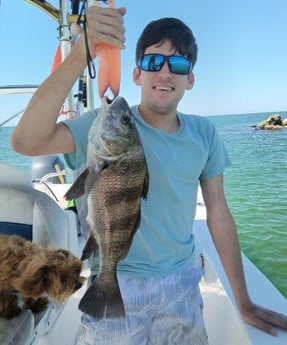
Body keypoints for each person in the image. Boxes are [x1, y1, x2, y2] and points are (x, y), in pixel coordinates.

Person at [11, 5, 287, 345]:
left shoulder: (204, 133)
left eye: (179, 64)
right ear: (138, 73)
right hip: (119, 281)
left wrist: (242, 300)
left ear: (191, 78)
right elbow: (25, 140)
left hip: (183, 282)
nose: (165, 72)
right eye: (154, 61)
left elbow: (218, 213)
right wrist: (81, 54)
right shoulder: (103, 125)